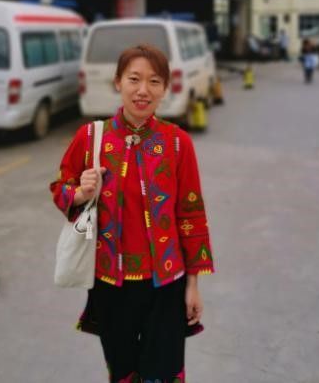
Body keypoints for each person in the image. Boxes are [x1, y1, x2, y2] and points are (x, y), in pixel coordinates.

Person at [50, 44, 214, 383]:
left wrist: (193, 284)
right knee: (122, 372)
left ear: (165, 88)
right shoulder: (91, 138)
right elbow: (60, 188)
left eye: (154, 81)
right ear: (118, 82)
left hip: (166, 284)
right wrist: (80, 192)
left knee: (162, 374)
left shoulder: (177, 143)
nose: (143, 90)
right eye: (134, 79)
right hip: (111, 284)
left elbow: (191, 214)